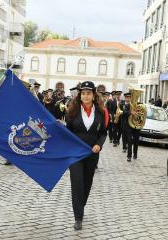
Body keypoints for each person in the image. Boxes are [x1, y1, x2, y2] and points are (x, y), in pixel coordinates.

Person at [66, 81, 107, 230]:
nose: (85, 96)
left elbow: (103, 132)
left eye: (88, 93)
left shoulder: (101, 112)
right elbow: (67, 132)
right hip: (75, 155)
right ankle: (78, 218)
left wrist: (99, 145)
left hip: (92, 154)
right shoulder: (72, 112)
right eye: (83, 93)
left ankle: (80, 206)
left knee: (87, 184)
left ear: (94, 94)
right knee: (77, 184)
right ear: (80, 95)